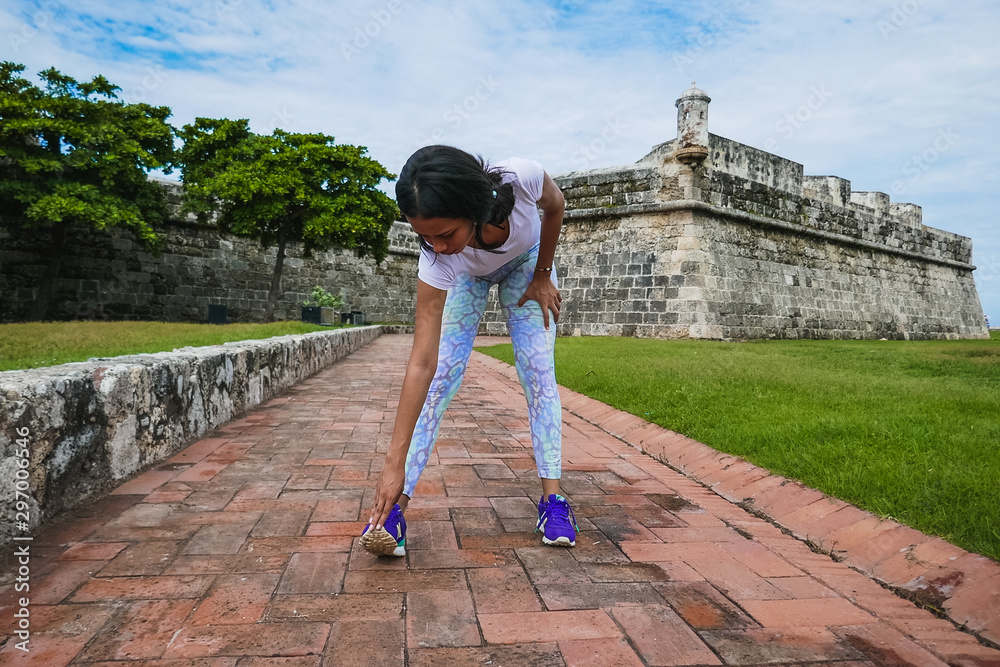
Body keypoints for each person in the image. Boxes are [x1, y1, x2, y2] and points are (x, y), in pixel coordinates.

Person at [360, 145, 578, 557]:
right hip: (469, 277)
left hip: (526, 263)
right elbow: (422, 362)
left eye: (444, 234)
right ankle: (396, 511)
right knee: (441, 379)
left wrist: (544, 274)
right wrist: (392, 463)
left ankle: (554, 501)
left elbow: (557, 206)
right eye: (424, 236)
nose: (435, 246)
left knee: (538, 373)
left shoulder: (523, 178)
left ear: (474, 209)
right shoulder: (439, 259)